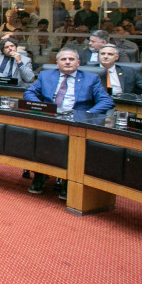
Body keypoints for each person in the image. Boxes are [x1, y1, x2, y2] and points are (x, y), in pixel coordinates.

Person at [23, 47, 113, 195]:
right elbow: (29, 93)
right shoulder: (45, 75)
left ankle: (69, 180)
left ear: (78, 63)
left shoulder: (91, 78)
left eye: (71, 59)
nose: (67, 62)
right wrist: (42, 107)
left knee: (72, 141)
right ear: (57, 63)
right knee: (35, 134)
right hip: (50, 118)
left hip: (77, 122)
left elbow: (106, 101)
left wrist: (88, 114)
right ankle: (39, 174)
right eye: (63, 59)